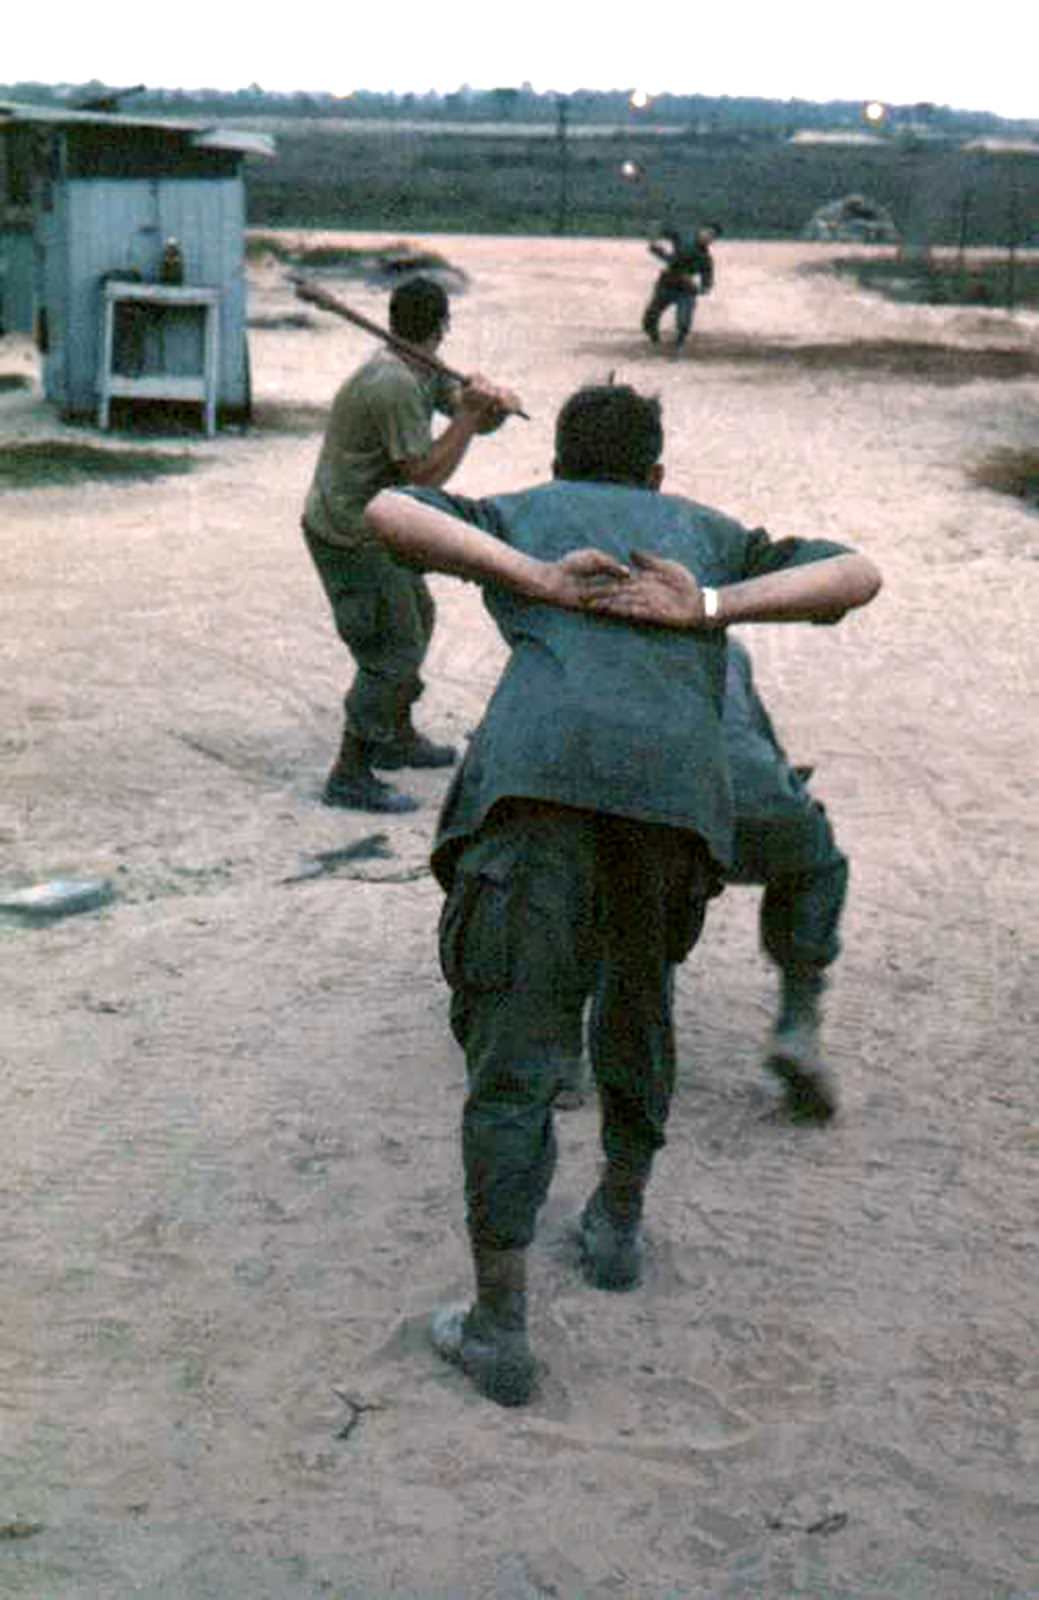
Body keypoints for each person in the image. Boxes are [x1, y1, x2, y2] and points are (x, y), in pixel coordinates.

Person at [363, 383, 882, 1407]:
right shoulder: (702, 531)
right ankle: (616, 1226)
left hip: (537, 783)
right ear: (655, 474)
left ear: (559, 459)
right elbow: (855, 573)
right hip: (675, 805)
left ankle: (499, 1327)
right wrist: (710, 603)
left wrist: (531, 578)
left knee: (515, 1057)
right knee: (641, 996)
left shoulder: (531, 511)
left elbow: (388, 510)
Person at [556, 634, 849, 1123]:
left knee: (582, 871)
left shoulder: (569, 640)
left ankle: (560, 1046)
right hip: (743, 798)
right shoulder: (723, 645)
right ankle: (799, 1017)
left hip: (630, 811)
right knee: (815, 864)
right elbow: (760, 740)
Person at [301, 275, 520, 814]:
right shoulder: (392, 383)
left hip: (374, 522)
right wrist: (469, 417)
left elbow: (464, 418)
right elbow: (422, 477)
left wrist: (488, 405)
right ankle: (349, 773)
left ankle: (394, 736)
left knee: (416, 616)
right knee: (391, 646)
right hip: (349, 531)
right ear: (442, 326)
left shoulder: (418, 370)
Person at [641, 222, 720, 349]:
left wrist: (695, 287)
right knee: (649, 320)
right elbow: (663, 230)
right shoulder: (684, 238)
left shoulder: (705, 259)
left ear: (713, 241)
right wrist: (653, 236)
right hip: (666, 284)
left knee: (683, 323)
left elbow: (707, 286)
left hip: (685, 290)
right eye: (707, 232)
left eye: (712, 236)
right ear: (700, 230)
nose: (707, 237)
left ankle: (679, 345)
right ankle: (654, 340)